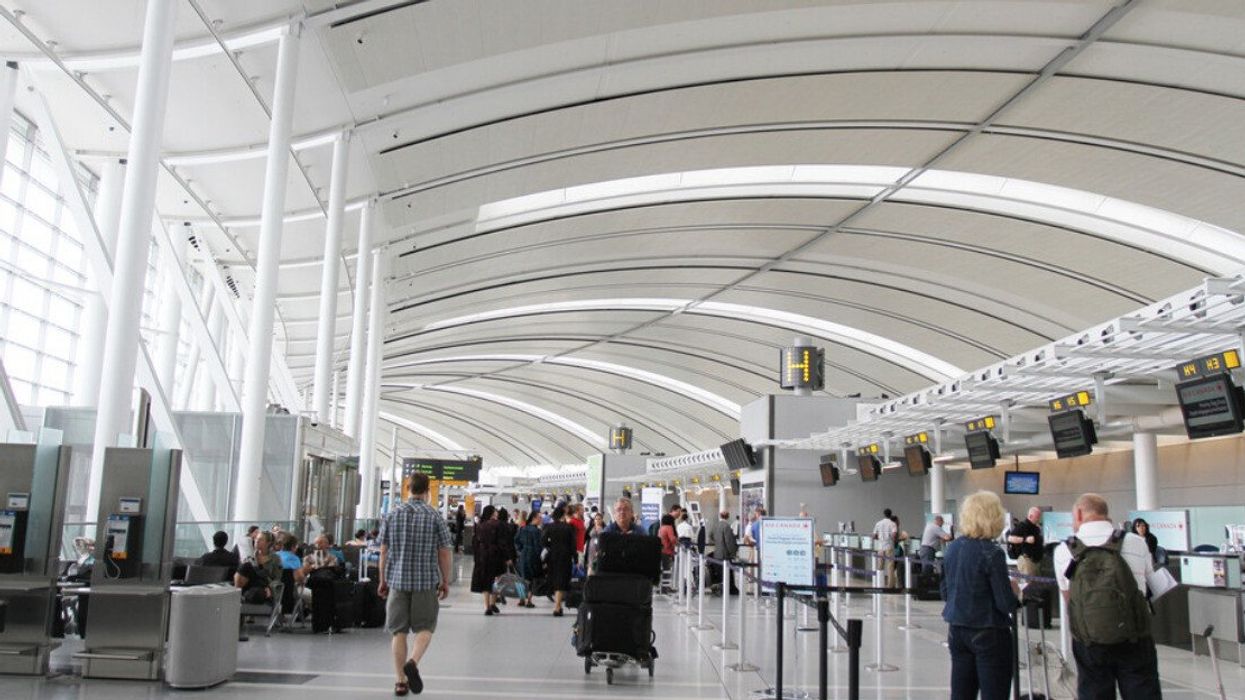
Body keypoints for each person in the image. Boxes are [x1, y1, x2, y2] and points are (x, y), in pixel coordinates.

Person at [1054, 493, 1160, 700]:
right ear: (1105, 513)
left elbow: (1069, 599)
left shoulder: (1063, 551)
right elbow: (1149, 585)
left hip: (1090, 642)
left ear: (1079, 513)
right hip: (1134, 637)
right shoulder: (1136, 542)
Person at [378, 471, 452, 697]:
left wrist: (382, 579)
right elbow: (444, 552)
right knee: (425, 628)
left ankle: (400, 681)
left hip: (397, 581)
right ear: (428, 491)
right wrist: (445, 580)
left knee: (398, 632)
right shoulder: (434, 516)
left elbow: (383, 551)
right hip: (425, 581)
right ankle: (413, 662)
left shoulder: (392, 515)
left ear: (408, 488)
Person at [941, 491, 1019, 700]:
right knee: (994, 693)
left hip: (957, 630)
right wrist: (1016, 594)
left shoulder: (953, 548)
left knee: (961, 693)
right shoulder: (992, 552)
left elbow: (945, 591)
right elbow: (1004, 603)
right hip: (988, 630)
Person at [470, 506, 508, 616]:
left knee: (485, 580)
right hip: (496, 555)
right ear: (492, 513)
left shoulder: (480, 525)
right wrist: (507, 557)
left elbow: (475, 543)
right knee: (497, 580)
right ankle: (493, 603)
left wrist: (477, 557)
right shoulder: (499, 525)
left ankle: (487, 607)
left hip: (483, 555)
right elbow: (502, 543)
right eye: (495, 511)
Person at [542, 506, 576, 616]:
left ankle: (558, 606)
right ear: (563, 515)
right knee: (561, 580)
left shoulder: (549, 527)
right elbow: (573, 544)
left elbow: (543, 541)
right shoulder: (569, 527)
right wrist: (575, 558)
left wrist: (551, 545)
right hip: (565, 556)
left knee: (555, 578)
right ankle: (557, 607)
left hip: (552, 556)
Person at [234, 531, 282, 604]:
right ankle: (236, 593)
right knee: (246, 565)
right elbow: (241, 573)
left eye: (261, 539)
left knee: (255, 593)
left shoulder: (275, 558)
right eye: (256, 538)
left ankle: (239, 595)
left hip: (264, 584)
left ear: (268, 543)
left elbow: (277, 578)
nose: (257, 541)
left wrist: (270, 588)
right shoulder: (251, 554)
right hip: (249, 582)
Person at [513, 512, 542, 608]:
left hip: (523, 555)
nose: (541, 519)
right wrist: (540, 556)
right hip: (533, 556)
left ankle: (521, 599)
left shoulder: (523, 528)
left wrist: (521, 550)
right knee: (532, 578)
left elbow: (516, 540)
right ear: (534, 518)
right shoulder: (537, 531)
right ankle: (529, 600)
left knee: (522, 577)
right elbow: (538, 546)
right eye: (539, 517)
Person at [708, 510, 739, 595]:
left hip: (716, 553)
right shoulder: (726, 526)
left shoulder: (715, 525)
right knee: (728, 572)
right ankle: (730, 589)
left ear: (720, 516)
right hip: (725, 554)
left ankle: (719, 588)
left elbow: (710, 536)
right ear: (728, 516)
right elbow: (729, 541)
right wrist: (733, 553)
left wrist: (716, 542)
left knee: (719, 572)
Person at [1006, 507, 1045, 576]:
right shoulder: (1022, 526)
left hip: (1036, 560)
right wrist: (1025, 539)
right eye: (1037, 517)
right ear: (1030, 516)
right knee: (1029, 581)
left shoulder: (1036, 527)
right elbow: (1010, 538)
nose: (1038, 519)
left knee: (1037, 582)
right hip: (1027, 561)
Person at [873, 508, 898, 587]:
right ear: (890, 514)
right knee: (890, 567)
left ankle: (879, 584)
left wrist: (880, 538)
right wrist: (894, 539)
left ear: (884, 514)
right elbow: (894, 535)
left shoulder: (878, 523)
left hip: (880, 547)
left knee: (880, 566)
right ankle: (890, 585)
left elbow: (874, 536)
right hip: (889, 546)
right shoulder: (892, 524)